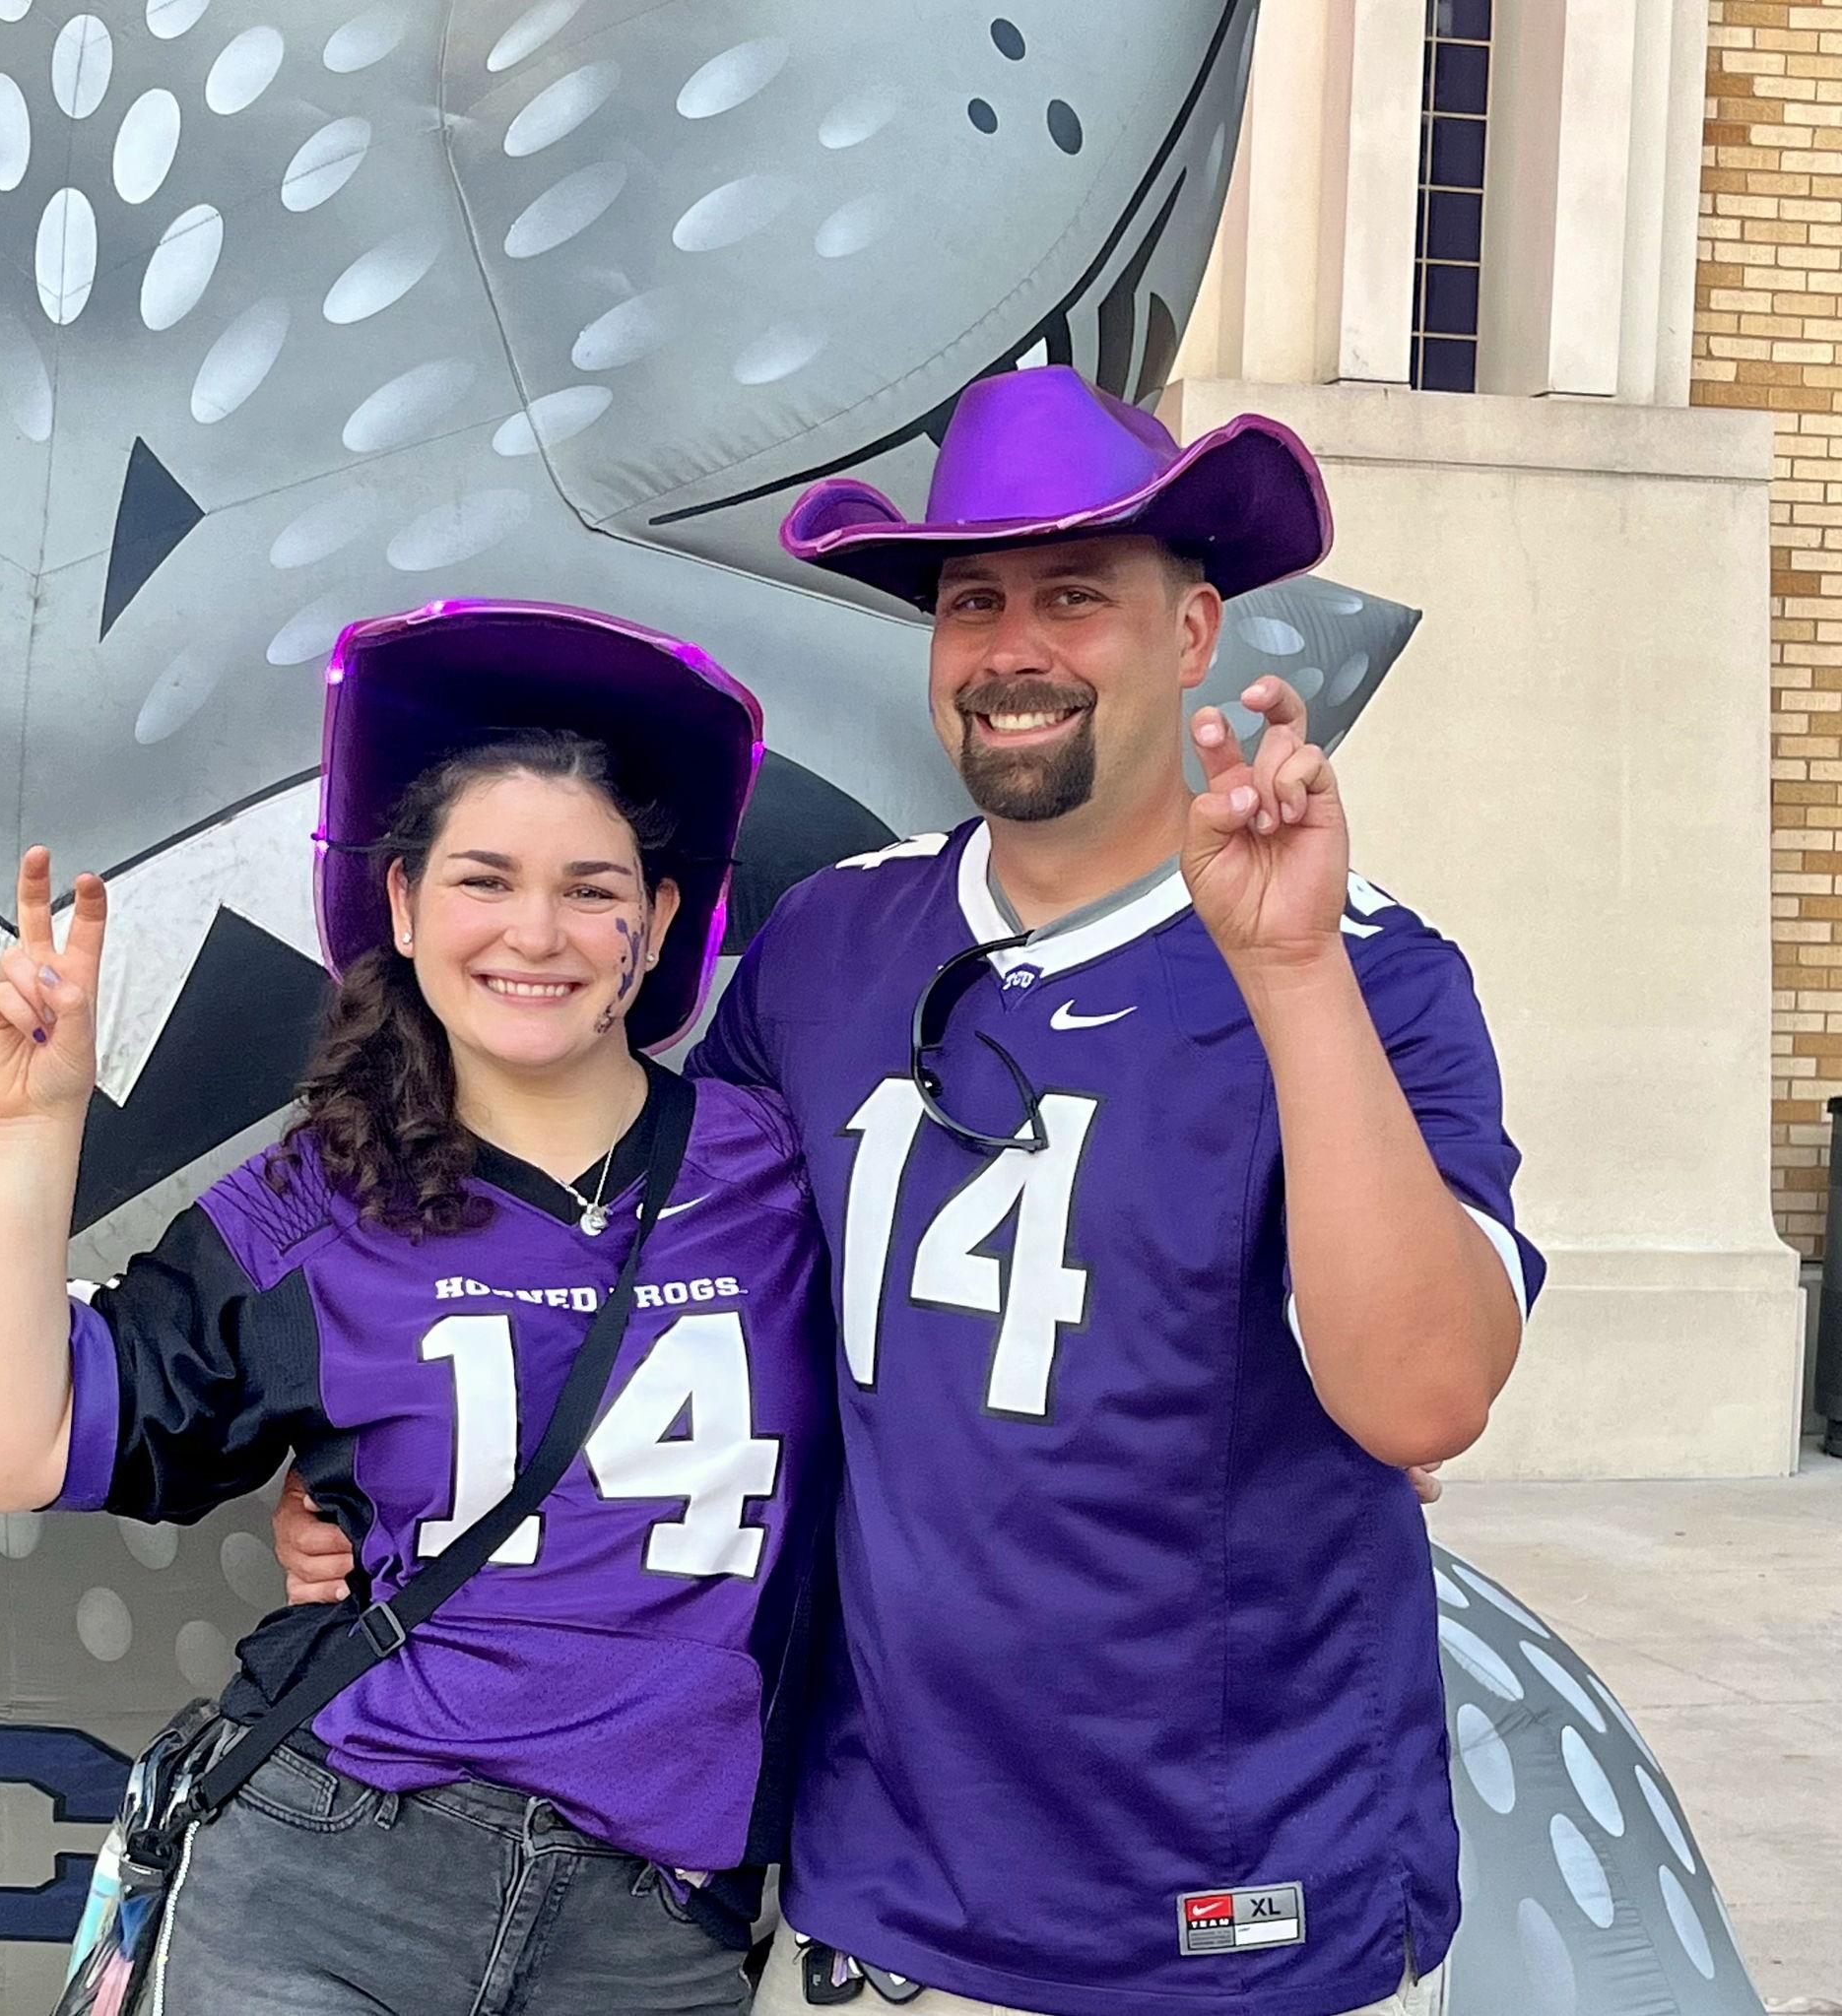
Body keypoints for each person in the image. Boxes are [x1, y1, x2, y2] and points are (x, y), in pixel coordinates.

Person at [279, 366, 1542, 2016]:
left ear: (1191, 633)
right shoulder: (830, 945)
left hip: (1238, 1915)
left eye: (1076, 595)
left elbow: (1425, 1398)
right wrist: (372, 1463)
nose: (1013, 647)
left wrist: (1287, 968)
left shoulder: (1372, 966)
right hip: (880, 1902)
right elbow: (636, 1264)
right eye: (973, 600)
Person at [0, 603, 835, 2016]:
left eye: (593, 887)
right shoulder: (317, 1199)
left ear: (660, 924)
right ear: (404, 904)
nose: (537, 931)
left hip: (651, 1928)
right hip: (327, 1869)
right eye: (485, 879)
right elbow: (4, 1451)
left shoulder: (785, 1172)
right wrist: (35, 1127)